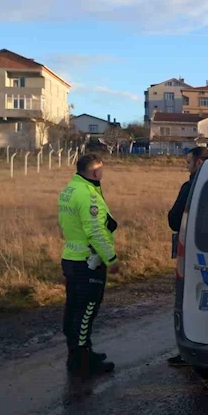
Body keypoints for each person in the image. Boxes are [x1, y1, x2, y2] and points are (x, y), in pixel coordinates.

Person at [58, 154, 120, 376]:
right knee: (86, 311)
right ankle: (82, 360)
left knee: (74, 307)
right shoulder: (88, 195)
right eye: (101, 170)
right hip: (88, 262)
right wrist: (111, 259)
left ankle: (77, 353)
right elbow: (95, 231)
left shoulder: (69, 189)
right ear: (95, 172)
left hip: (71, 258)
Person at [167, 146, 208, 367]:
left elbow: (174, 220)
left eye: (189, 163)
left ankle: (189, 348)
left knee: (189, 300)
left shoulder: (191, 186)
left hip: (193, 253)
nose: (187, 167)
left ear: (199, 162)